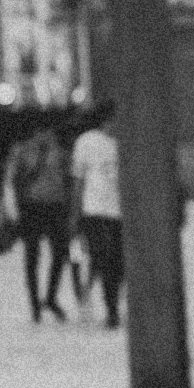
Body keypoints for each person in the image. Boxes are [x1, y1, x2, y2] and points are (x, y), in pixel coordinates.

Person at [5, 123, 72, 322]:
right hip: (32, 207)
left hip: (55, 206)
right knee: (32, 257)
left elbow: (68, 180)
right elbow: (12, 180)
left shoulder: (60, 153)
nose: (47, 135)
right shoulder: (22, 151)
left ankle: (50, 297)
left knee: (60, 253)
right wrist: (14, 210)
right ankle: (35, 304)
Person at [67, 108, 123, 326]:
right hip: (94, 209)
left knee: (118, 261)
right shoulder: (87, 142)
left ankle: (113, 302)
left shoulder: (125, 141)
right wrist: (75, 211)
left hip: (119, 211)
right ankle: (110, 307)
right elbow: (78, 178)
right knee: (103, 257)